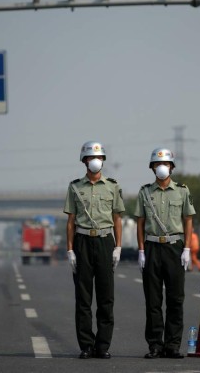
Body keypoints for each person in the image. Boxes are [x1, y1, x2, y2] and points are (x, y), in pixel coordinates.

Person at [64, 141, 125, 360]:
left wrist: (118, 246)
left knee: (106, 297)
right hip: (82, 241)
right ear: (84, 161)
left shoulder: (113, 186)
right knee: (83, 297)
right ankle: (86, 346)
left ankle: (102, 346)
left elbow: (117, 218)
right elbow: (70, 221)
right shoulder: (74, 187)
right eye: (91, 158)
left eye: (98, 158)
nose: (95, 161)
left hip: (105, 241)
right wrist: (70, 250)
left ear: (103, 161)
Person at [134, 147, 196, 359]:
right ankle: (155, 345)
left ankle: (172, 345)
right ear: (152, 167)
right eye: (158, 164)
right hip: (151, 247)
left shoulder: (182, 191)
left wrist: (187, 248)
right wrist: (141, 250)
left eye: (166, 164)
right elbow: (140, 223)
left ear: (172, 167)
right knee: (153, 300)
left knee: (175, 299)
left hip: (174, 247)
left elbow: (188, 220)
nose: (162, 167)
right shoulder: (145, 192)